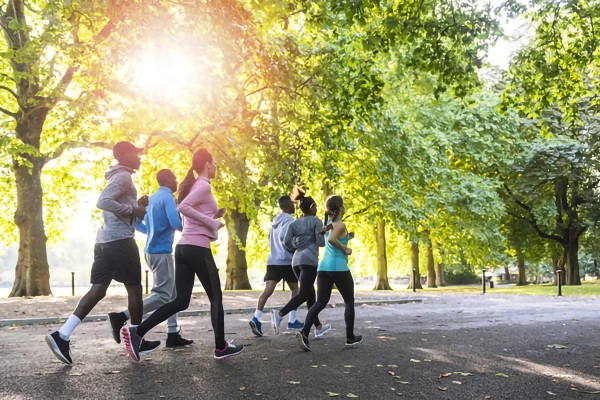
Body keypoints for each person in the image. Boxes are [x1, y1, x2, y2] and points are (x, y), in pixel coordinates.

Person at [122, 148, 244, 361]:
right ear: (207, 164)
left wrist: (212, 214)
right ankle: (221, 347)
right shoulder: (203, 185)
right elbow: (185, 207)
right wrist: (212, 222)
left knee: (180, 301)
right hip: (197, 248)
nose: (215, 167)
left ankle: (137, 332)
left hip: (184, 248)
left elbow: (189, 213)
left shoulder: (197, 186)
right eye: (213, 163)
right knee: (216, 296)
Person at [45, 141, 159, 365]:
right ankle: (137, 339)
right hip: (120, 242)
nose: (140, 158)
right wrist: (133, 209)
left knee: (97, 290)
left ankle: (62, 335)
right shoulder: (123, 176)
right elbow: (103, 202)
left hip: (104, 241)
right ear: (126, 155)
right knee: (135, 290)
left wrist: (136, 205)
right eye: (137, 154)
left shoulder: (119, 176)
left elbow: (117, 207)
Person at [107, 169, 193, 348]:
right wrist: (194, 227)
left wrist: (155, 231)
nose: (176, 182)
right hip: (161, 252)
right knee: (162, 296)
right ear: (168, 180)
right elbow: (176, 223)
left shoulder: (152, 198)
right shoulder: (168, 197)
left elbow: (140, 225)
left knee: (173, 295)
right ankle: (121, 316)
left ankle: (172, 333)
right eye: (175, 179)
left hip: (150, 251)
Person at [296, 195, 362, 352]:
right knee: (349, 301)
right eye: (343, 205)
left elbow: (332, 236)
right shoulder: (339, 224)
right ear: (339, 208)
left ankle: (304, 333)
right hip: (338, 268)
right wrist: (345, 249)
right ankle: (350, 337)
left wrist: (348, 237)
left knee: (320, 302)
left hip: (323, 268)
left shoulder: (328, 225)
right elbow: (332, 240)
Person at [269, 186, 331, 338]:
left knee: (310, 295)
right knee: (304, 294)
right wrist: (322, 232)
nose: (317, 208)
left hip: (296, 262)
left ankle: (318, 327)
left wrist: (296, 247)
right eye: (315, 206)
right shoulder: (316, 221)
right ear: (311, 207)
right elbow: (321, 243)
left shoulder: (294, 223)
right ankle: (280, 314)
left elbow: (286, 241)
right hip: (309, 261)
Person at [249, 195, 303, 336]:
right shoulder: (290, 221)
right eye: (292, 204)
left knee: (267, 291)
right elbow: (286, 239)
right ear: (287, 206)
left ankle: (256, 317)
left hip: (272, 260)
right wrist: (293, 249)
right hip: (285, 261)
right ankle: (292, 320)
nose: (294, 206)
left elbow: (271, 240)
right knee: (295, 290)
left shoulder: (274, 223)